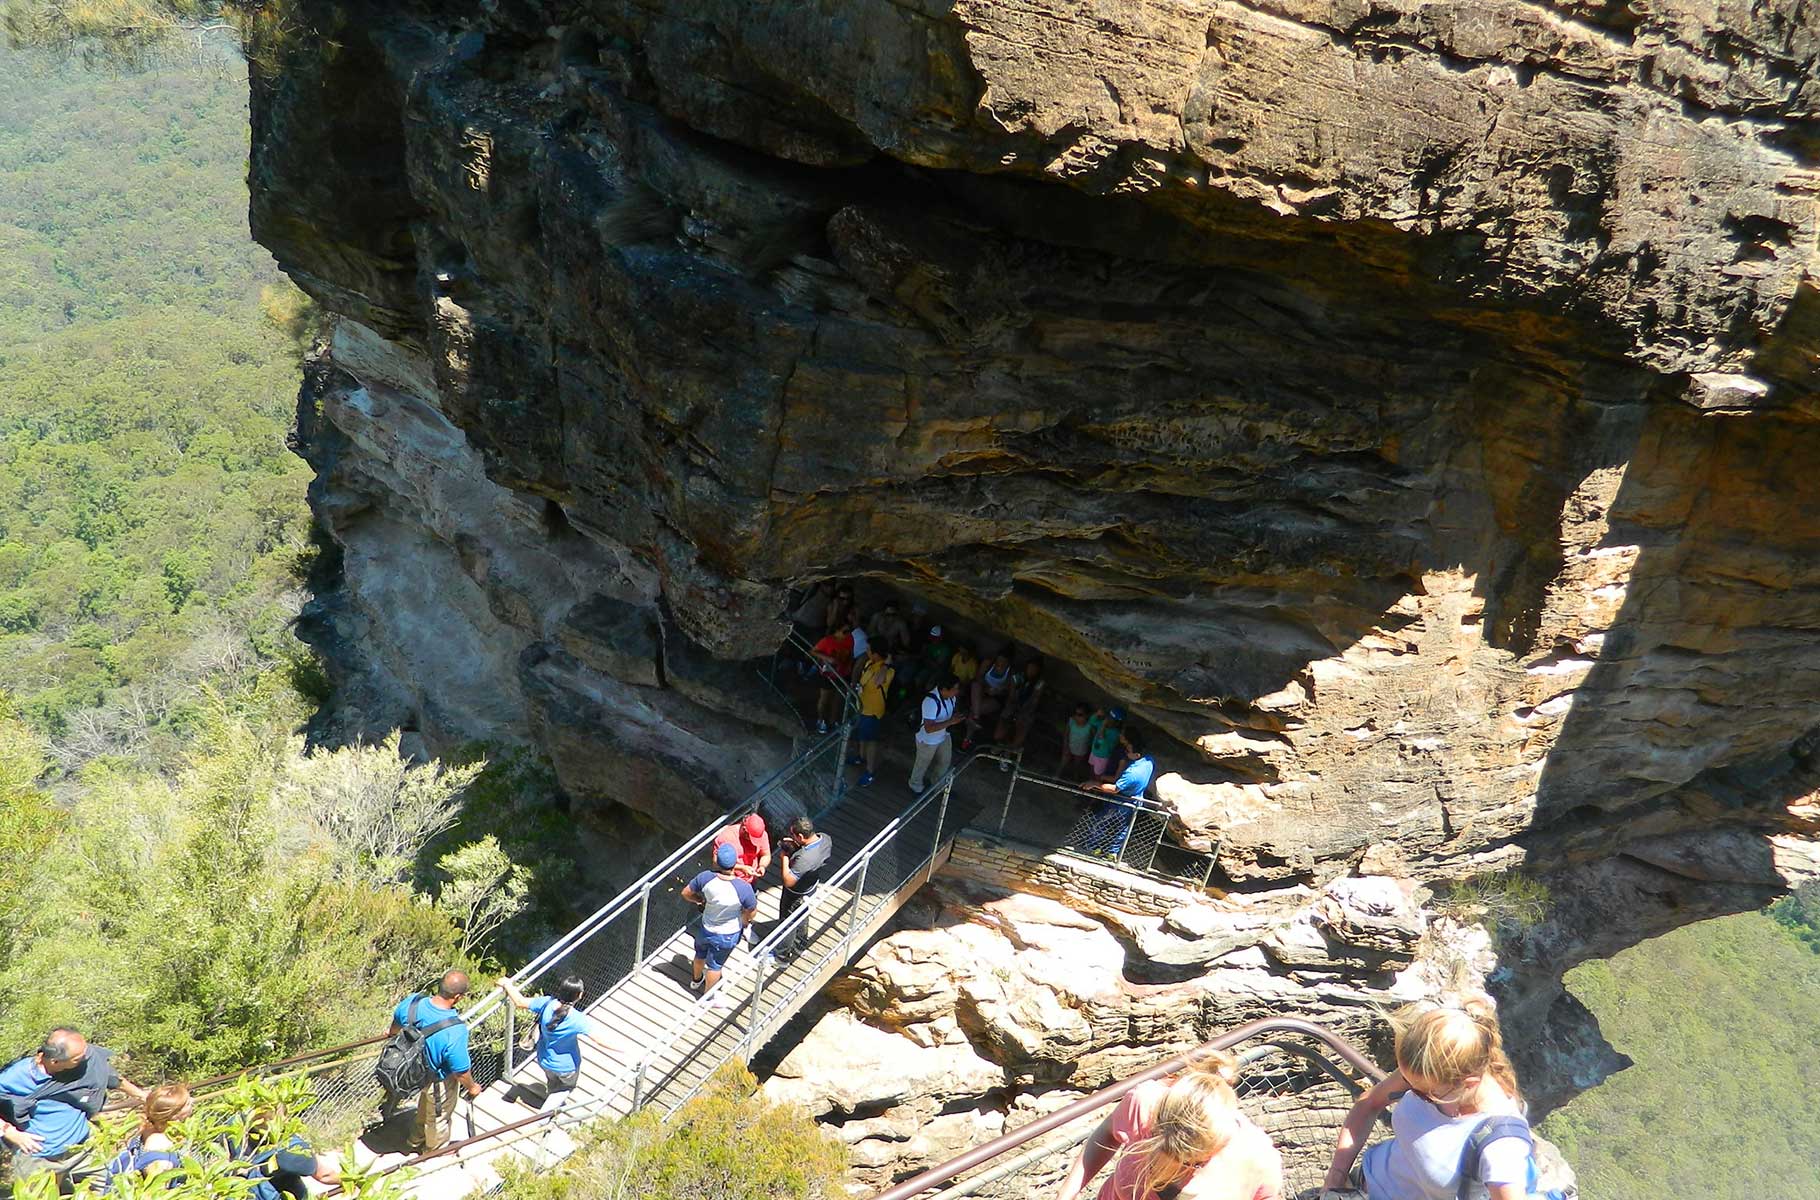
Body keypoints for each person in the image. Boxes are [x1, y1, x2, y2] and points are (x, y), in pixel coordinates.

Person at [1322, 996, 1544, 1200]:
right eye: (1409, 1085)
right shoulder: (1434, 1071)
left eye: (1423, 1093)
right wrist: (1335, 1179)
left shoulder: (1501, 1146)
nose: (1414, 1094)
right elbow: (1369, 1103)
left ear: (1468, 1084)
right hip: (1358, 1183)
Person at [1057, 1048, 1282, 1200]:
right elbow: (1107, 1132)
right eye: (1160, 1149)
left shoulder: (1258, 1160)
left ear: (1216, 1146)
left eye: (1188, 1164)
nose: (1166, 1173)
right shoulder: (1145, 1102)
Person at [0, 1027, 145, 1191]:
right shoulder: (16, 1076)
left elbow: (112, 1078)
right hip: (40, 1157)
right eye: (77, 1058)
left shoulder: (85, 1061)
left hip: (82, 1150)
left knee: (110, 1189)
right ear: (55, 1061)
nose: (85, 1059)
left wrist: (142, 1096)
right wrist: (10, 1132)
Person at [389, 972, 483, 1153]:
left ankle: (415, 1139)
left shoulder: (412, 1003)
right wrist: (472, 1088)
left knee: (424, 1106)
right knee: (438, 1117)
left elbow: (394, 1029)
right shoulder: (455, 1030)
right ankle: (433, 1153)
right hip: (436, 1080)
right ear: (458, 997)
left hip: (408, 1070)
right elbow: (461, 1071)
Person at [500, 975, 611, 1108]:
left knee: (553, 1083)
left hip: (545, 1060)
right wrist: (622, 1050)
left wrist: (507, 984)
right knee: (565, 1088)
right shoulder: (577, 1019)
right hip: (566, 1066)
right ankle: (544, 1116)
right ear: (579, 995)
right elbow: (599, 1040)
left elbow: (520, 1002)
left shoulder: (546, 1003)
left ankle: (553, 1102)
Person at [683, 842, 758, 999]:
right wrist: (744, 921)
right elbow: (751, 911)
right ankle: (708, 996)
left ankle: (696, 980)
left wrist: (700, 900)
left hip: (707, 927)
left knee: (700, 954)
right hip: (727, 933)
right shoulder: (743, 888)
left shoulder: (705, 878)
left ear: (717, 860)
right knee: (715, 966)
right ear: (735, 862)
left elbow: (686, 893)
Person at [1080, 730, 1155, 857]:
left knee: (1101, 822)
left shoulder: (1131, 773)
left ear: (1137, 755)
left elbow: (1115, 788)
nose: (1126, 752)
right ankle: (1112, 853)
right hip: (1135, 800)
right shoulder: (1149, 761)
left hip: (1121, 801)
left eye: (1128, 751)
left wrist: (1094, 784)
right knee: (1122, 828)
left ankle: (1092, 847)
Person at [774, 817, 834, 962]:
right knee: (803, 915)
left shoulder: (805, 859)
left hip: (795, 894)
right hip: (811, 887)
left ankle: (782, 956)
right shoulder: (825, 839)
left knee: (788, 922)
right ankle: (800, 945)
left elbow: (789, 881)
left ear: (801, 836)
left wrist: (784, 858)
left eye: (794, 835)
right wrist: (796, 845)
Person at [910, 677, 966, 792]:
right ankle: (915, 786)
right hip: (928, 740)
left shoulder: (951, 698)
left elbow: (951, 713)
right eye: (955, 689)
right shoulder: (930, 701)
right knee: (922, 764)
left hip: (944, 735)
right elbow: (929, 728)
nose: (957, 691)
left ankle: (937, 785)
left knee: (944, 762)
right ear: (944, 689)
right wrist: (951, 722)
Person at [852, 644, 896, 787]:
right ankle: (860, 757)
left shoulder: (888, 671)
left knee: (871, 740)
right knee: (861, 735)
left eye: (870, 649)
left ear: (877, 654)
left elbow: (878, 681)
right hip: (862, 708)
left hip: (873, 712)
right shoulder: (869, 663)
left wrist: (886, 664)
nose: (867, 651)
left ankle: (870, 772)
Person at [993, 658, 1046, 768]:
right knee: (1001, 728)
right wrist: (1014, 708)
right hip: (1013, 706)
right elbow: (1011, 695)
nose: (1031, 671)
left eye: (1034, 669)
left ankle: (1007, 753)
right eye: (1030, 668)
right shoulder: (1017, 677)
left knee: (1022, 726)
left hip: (1027, 711)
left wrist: (1023, 711)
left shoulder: (1039, 683)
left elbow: (1034, 700)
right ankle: (1000, 745)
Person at [962, 651, 1015, 751]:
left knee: (974, 709)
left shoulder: (1010, 673)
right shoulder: (988, 664)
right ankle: (976, 719)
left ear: (1008, 663)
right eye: (999, 659)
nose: (1000, 663)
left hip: (995, 699)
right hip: (981, 692)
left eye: (1004, 661)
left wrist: (998, 692)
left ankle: (967, 740)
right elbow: (978, 678)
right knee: (975, 686)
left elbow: (1009, 694)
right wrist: (987, 688)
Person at [812, 620, 855, 734]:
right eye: (845, 631)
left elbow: (850, 653)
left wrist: (849, 666)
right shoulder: (827, 641)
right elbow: (813, 651)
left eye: (849, 631)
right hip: (828, 674)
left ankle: (833, 720)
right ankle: (821, 720)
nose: (848, 634)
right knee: (825, 698)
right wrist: (828, 658)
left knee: (838, 699)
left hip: (843, 673)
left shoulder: (850, 639)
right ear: (837, 631)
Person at [1086, 706, 1126, 781]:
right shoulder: (1102, 723)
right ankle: (1089, 782)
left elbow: (1102, 740)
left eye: (1112, 719)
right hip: (1094, 752)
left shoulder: (1115, 733)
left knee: (1098, 776)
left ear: (1117, 723)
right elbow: (1091, 721)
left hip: (1102, 757)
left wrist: (1103, 727)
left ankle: (1095, 790)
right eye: (1109, 717)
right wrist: (1097, 714)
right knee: (1091, 769)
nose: (1109, 720)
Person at [1060, 703, 1095, 779]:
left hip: (1081, 751)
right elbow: (1066, 734)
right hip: (1069, 747)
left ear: (1086, 715)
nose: (1076, 716)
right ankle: (1056, 776)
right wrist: (1066, 746)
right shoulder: (1071, 721)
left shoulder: (1090, 727)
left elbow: (1093, 739)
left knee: (1077, 766)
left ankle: (1074, 778)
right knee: (1063, 763)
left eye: (1080, 714)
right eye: (1075, 714)